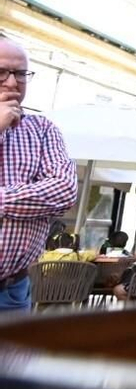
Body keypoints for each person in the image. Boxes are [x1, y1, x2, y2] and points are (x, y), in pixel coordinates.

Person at [0, 37, 78, 311]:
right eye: (2, 73)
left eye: (20, 74)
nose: (12, 82)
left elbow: (64, 191)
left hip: (13, 291)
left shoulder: (42, 129)